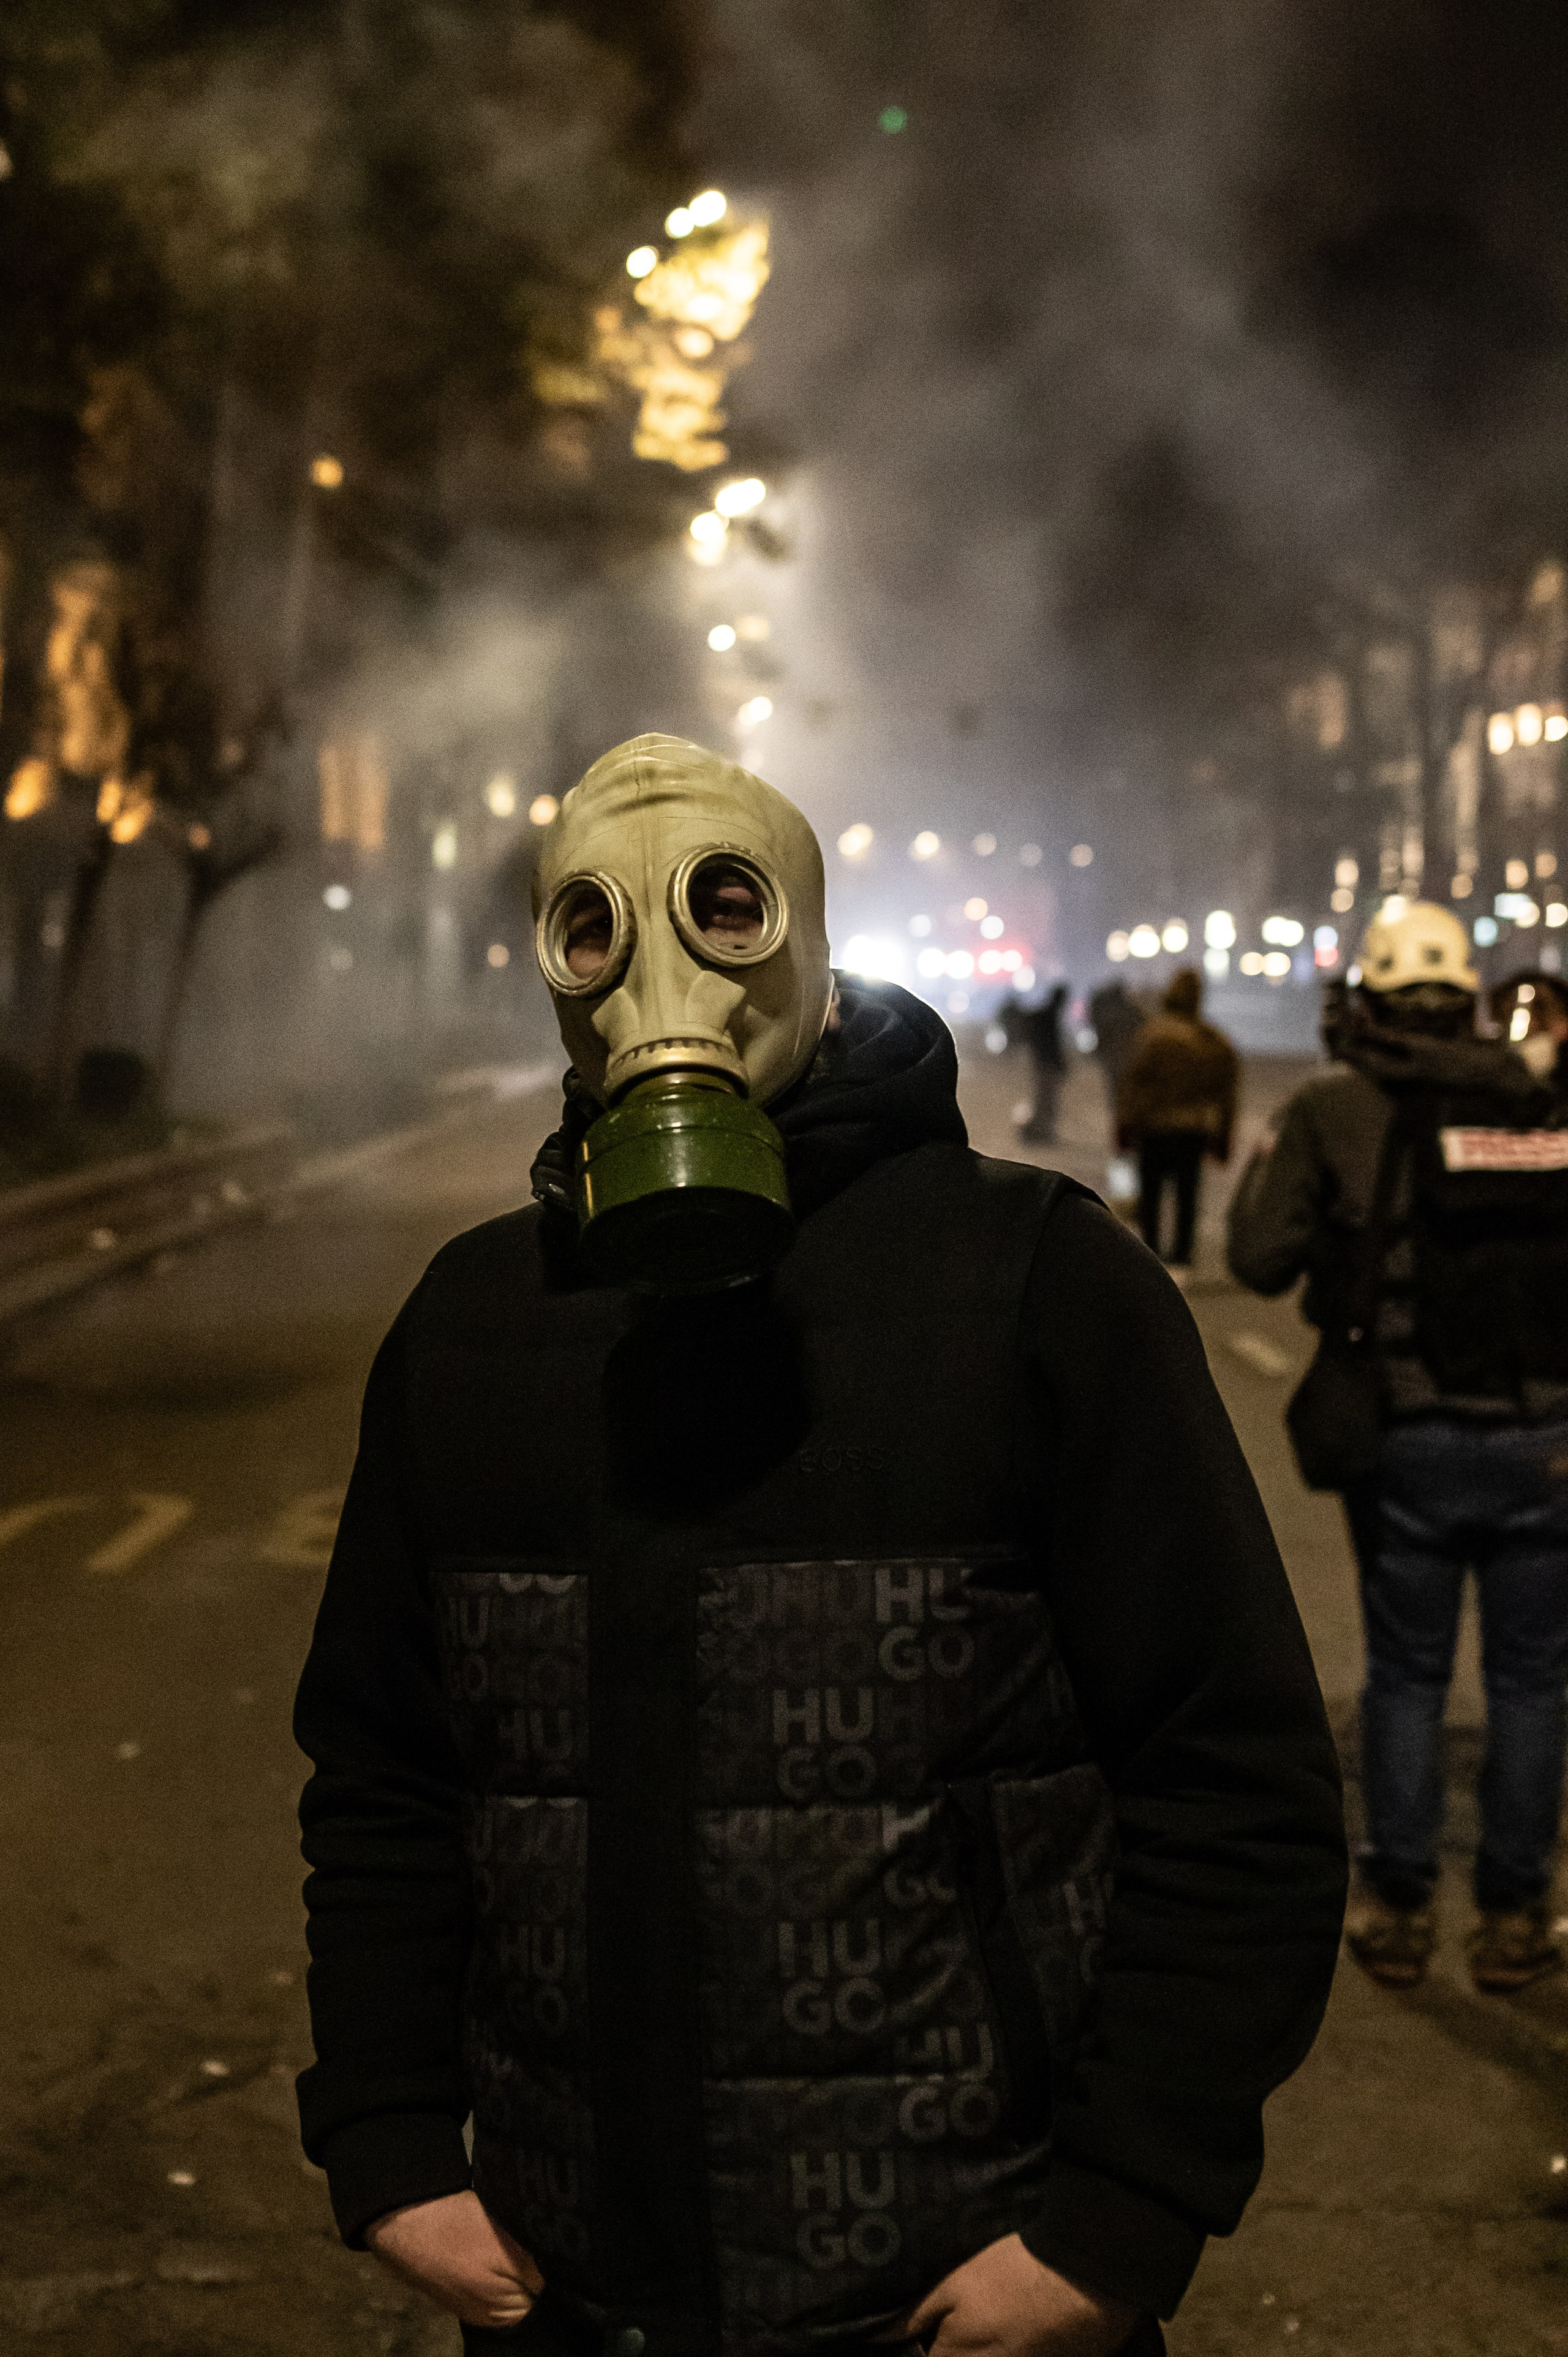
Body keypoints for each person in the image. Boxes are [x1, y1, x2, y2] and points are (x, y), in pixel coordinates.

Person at [294, 734, 1345, 2357]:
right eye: (594, 925)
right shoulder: (470, 1324)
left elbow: (1235, 1775)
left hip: (955, 2295)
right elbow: (385, 1770)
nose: (655, 978)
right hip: (570, 2292)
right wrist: (386, 2139)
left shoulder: (1038, 1284)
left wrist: (1114, 2220)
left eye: (722, 906)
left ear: (806, 936)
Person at [1227, 900, 1568, 1995]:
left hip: (1410, 1432)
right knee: (1529, 1679)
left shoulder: (1337, 1103)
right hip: (1547, 1435)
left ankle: (1400, 1902)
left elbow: (1258, 1256)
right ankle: (1515, 1912)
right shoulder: (1542, 1093)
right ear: (1468, 995)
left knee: (1409, 1673)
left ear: (1364, 998)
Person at [1115, 969, 1238, 1277]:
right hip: (1192, 1131)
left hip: (1154, 1129)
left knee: (1151, 1196)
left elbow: (1132, 1086)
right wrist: (1223, 1136)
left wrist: (1124, 1125)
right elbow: (1226, 1095)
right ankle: (1181, 1256)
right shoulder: (1213, 1041)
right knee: (1187, 1197)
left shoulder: (1150, 1037)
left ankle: (1149, 1255)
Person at [1016, 981, 1069, 1143]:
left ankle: (1039, 1132)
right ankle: (1039, 1132)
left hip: (1042, 1064)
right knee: (1046, 1102)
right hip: (1047, 1065)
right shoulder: (1050, 1016)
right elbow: (1052, 1045)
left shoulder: (1045, 1014)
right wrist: (1059, 1063)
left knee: (1044, 1100)